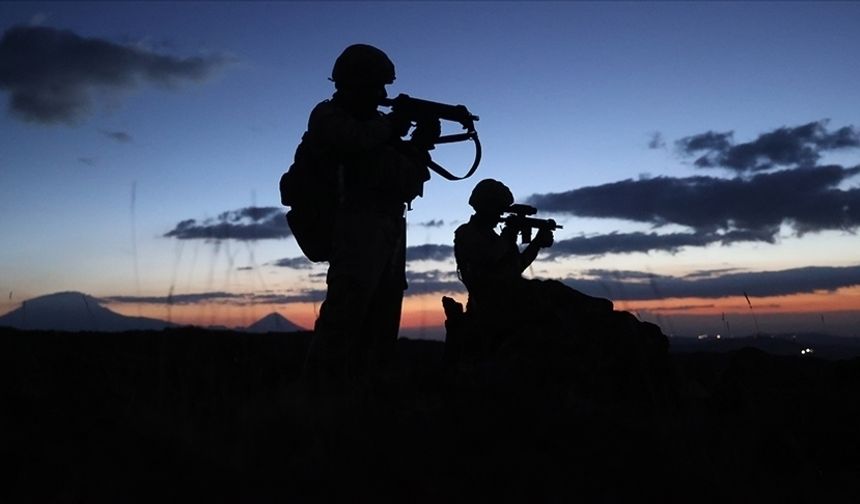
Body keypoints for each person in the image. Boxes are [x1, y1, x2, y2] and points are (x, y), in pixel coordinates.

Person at [298, 44, 440, 392]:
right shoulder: (328, 117)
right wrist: (394, 125)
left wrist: (421, 144)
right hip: (354, 228)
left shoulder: (378, 127)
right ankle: (319, 399)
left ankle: (366, 396)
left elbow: (405, 180)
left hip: (388, 230)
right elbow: (354, 141)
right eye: (376, 86)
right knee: (344, 318)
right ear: (353, 83)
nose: (382, 95)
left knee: (382, 319)